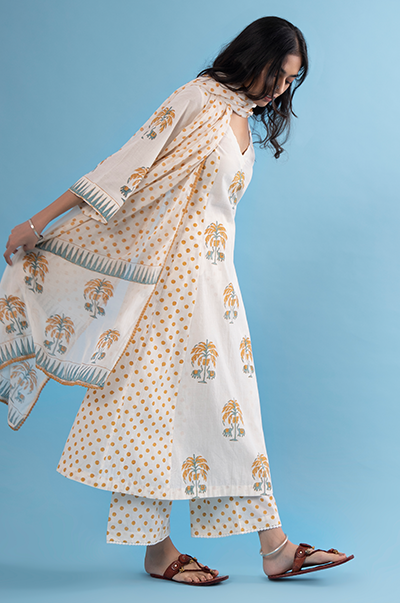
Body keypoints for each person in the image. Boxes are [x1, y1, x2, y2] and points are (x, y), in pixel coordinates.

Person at [1, 16, 353, 584]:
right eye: (280, 75)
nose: (282, 89)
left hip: (215, 288)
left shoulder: (241, 115)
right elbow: (124, 166)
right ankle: (225, 549)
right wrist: (39, 222)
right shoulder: (196, 99)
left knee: (214, 407)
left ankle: (256, 548)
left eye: (292, 81)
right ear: (255, 58)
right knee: (157, 408)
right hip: (168, 288)